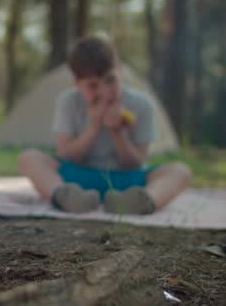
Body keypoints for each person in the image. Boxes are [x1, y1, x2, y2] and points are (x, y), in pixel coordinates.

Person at [18, 36, 192, 214]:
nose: (105, 92)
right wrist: (94, 127)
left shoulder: (142, 105)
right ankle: (66, 197)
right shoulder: (68, 102)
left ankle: (141, 201)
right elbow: (66, 155)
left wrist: (118, 133)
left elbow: (136, 162)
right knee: (29, 158)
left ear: (121, 71)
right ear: (77, 84)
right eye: (93, 86)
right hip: (78, 180)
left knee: (180, 171)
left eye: (110, 80)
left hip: (126, 181)